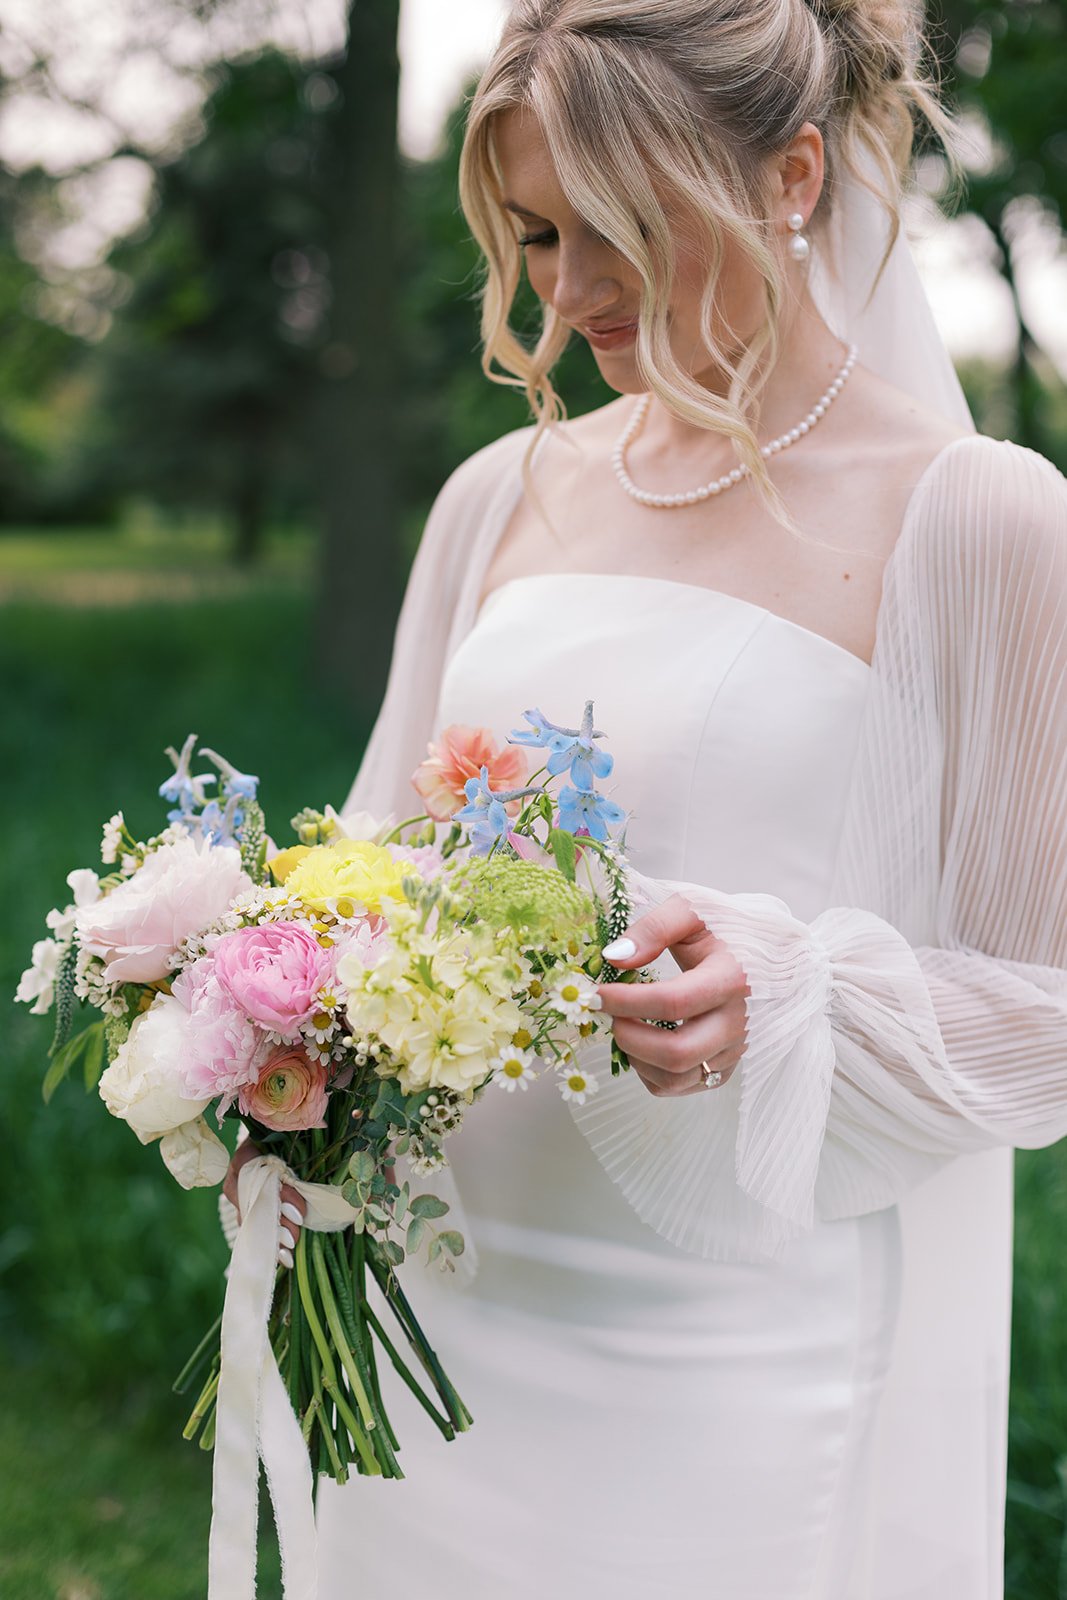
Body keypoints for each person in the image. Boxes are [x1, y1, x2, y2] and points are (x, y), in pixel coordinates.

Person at [248, 2, 1067, 1595]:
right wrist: (251, 1005)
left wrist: (791, 993)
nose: (568, 289)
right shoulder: (500, 494)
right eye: (541, 233)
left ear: (796, 176)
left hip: (723, 1358)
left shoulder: (985, 522)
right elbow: (365, 867)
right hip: (437, 1309)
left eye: (621, 228)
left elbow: (1056, 1001)